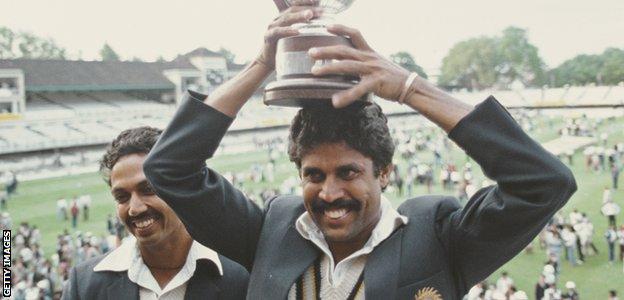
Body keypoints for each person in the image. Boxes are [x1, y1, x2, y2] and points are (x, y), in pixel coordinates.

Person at [142, 4, 576, 299]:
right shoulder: (271, 230)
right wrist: (261, 66)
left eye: (348, 172)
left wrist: (410, 88)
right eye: (314, 175)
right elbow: (169, 167)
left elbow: (543, 184)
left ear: (384, 171)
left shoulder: (438, 236)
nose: (329, 193)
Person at [61, 127, 249, 300]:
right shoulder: (85, 284)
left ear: (182, 188)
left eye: (148, 189)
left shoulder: (240, 276)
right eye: (122, 197)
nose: (135, 208)